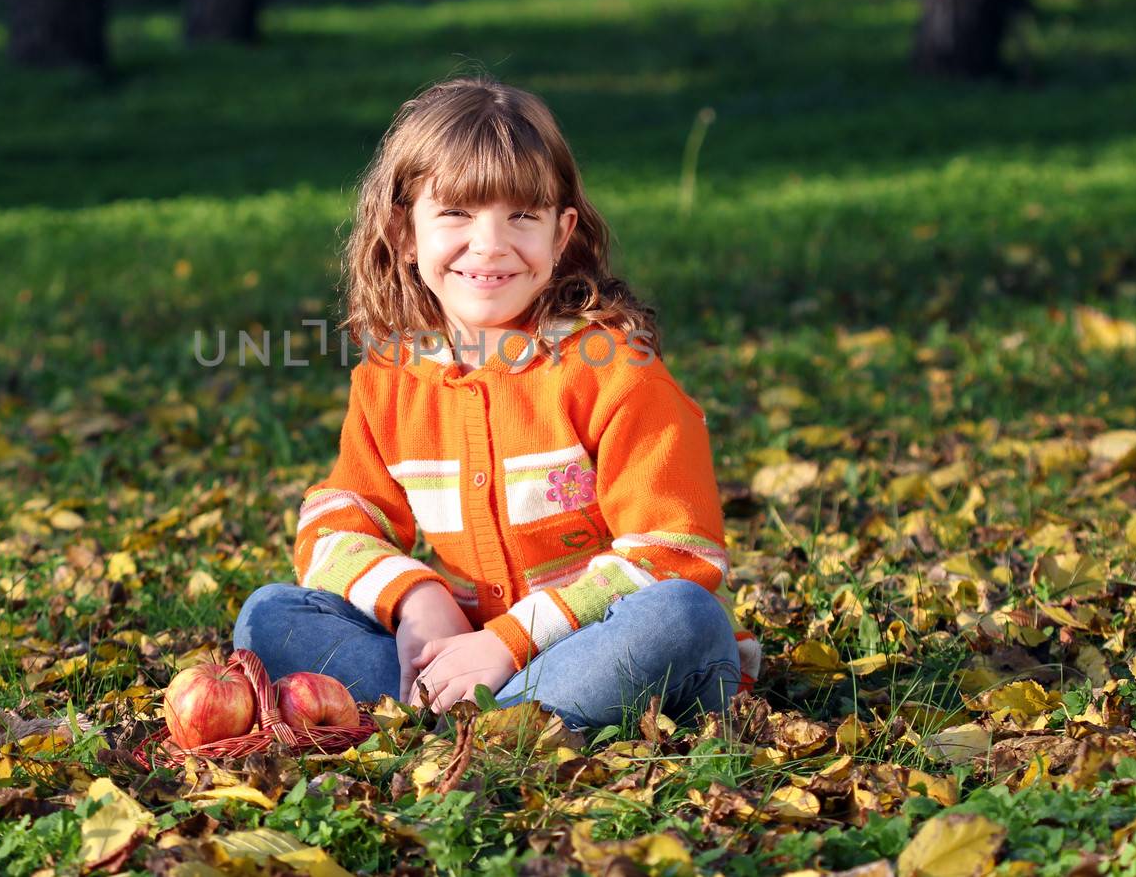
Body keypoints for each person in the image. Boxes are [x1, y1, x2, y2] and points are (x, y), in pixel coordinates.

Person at [233, 76, 760, 734]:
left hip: (598, 648)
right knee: (269, 615)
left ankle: (469, 717)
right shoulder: (392, 378)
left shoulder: (615, 370)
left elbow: (676, 551)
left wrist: (509, 640)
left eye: (521, 216)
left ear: (562, 232)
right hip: (468, 649)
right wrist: (417, 597)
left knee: (681, 615)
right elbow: (337, 521)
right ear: (403, 232)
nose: (490, 243)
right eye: (455, 213)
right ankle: (483, 710)